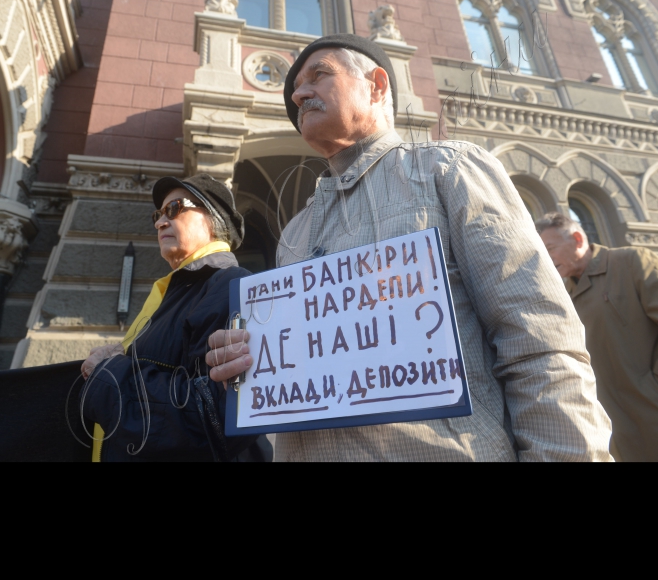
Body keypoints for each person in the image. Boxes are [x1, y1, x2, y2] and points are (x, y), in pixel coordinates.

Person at [206, 34, 613, 463]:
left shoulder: (449, 171)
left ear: (377, 85)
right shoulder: (296, 231)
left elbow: (539, 339)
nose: (299, 93)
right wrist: (253, 357)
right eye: (294, 91)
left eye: (319, 75)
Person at [81, 174, 263, 462]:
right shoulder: (171, 293)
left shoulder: (230, 284)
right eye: (158, 214)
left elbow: (210, 417)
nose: (160, 222)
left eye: (175, 208)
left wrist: (108, 373)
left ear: (213, 220)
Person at [537, 213, 658, 462]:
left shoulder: (632, 262)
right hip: (615, 427)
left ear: (578, 239)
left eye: (550, 248)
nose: (546, 258)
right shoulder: (564, 299)